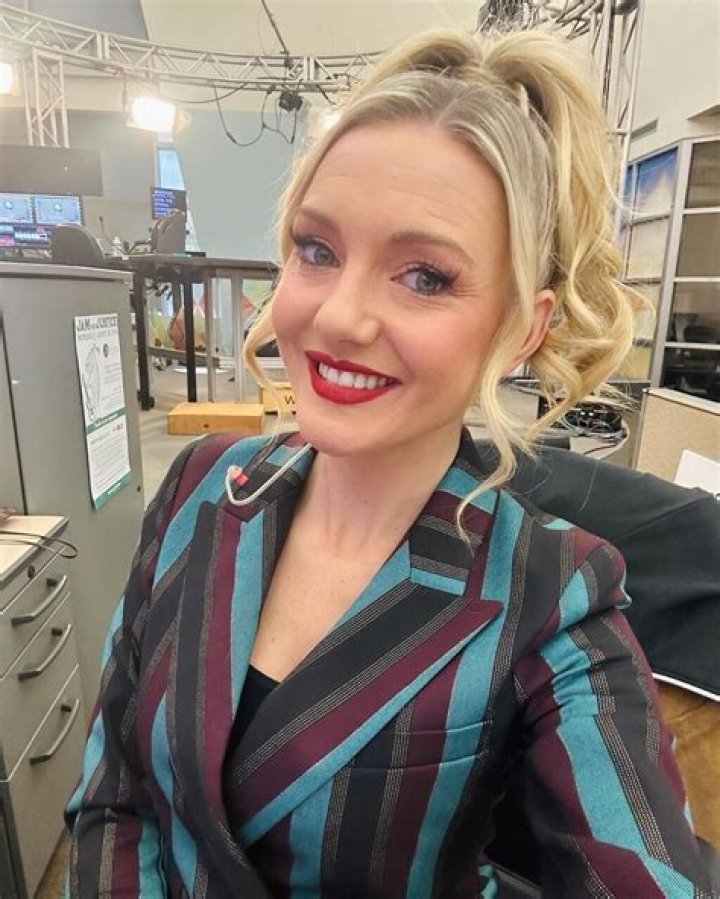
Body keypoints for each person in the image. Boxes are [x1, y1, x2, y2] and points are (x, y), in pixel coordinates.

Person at [66, 27, 713, 897]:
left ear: (523, 327)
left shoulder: (551, 592)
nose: (339, 316)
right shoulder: (200, 484)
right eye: (318, 250)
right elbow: (117, 794)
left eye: (425, 277)